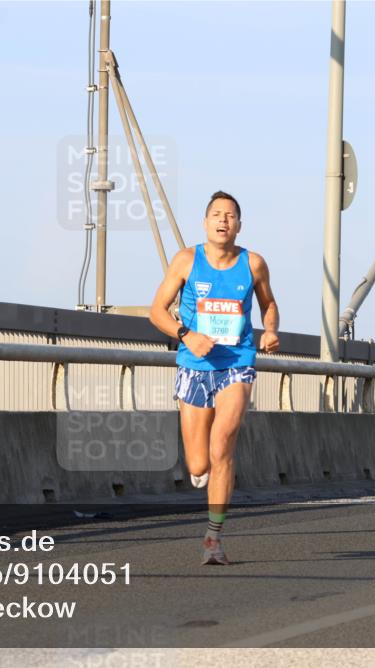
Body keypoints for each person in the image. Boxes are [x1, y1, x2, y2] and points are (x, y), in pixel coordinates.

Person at [149, 190, 280, 565]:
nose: (224, 221)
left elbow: (269, 304)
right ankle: (202, 472)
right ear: (205, 223)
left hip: (236, 363)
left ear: (239, 225)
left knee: (222, 446)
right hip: (194, 364)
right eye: (217, 215)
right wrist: (186, 335)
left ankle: (213, 537)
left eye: (231, 215)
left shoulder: (253, 264)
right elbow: (156, 311)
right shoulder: (187, 261)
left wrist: (270, 330)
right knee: (197, 464)